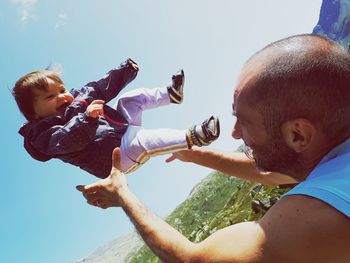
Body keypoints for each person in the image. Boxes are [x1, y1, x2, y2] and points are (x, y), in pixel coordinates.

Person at [77, 34, 350, 262]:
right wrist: (194, 154)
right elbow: (277, 174)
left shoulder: (315, 216)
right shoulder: (333, 163)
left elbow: (195, 260)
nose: (234, 133)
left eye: (242, 121)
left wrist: (122, 194)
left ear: (298, 134)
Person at [13, 58, 220, 178]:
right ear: (35, 114)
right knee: (144, 141)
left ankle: (170, 94)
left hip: (121, 130)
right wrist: (86, 119)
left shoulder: (77, 100)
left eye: (62, 89)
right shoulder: (43, 136)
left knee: (129, 100)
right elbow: (67, 139)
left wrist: (125, 71)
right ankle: (195, 135)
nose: (63, 96)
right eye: (50, 96)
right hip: (116, 157)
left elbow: (99, 87)